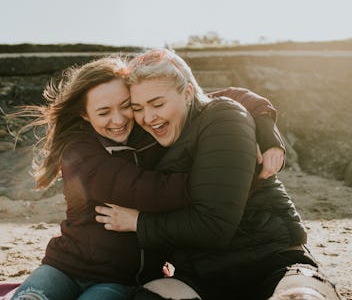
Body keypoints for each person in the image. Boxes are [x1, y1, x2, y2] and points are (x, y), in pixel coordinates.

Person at [6, 55, 285, 300]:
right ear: (85, 114)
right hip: (65, 266)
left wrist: (265, 126)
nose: (119, 119)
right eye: (103, 112)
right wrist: (223, 176)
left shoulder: (147, 127)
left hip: (121, 278)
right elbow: (147, 191)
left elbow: (216, 97)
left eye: (127, 105)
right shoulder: (80, 153)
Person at [94, 49, 342, 300]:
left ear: (188, 93)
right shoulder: (148, 136)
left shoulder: (222, 117)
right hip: (199, 275)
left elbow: (214, 225)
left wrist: (139, 223)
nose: (148, 117)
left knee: (301, 298)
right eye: (137, 108)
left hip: (273, 262)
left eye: (158, 104)